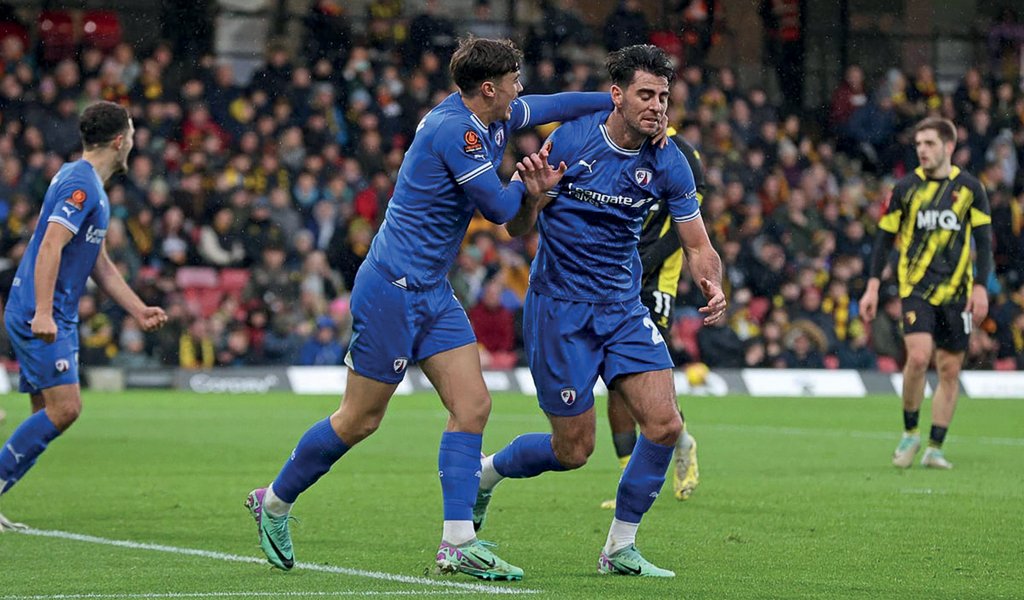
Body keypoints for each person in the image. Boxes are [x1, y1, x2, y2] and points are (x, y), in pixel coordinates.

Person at [244, 37, 622, 581]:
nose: (523, 87)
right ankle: (274, 502)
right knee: (360, 420)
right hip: (392, 288)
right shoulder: (455, 130)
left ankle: (457, 541)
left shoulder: (496, 112)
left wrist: (613, 103)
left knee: (473, 406)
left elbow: (557, 103)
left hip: (431, 289)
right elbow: (496, 208)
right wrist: (527, 182)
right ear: (488, 87)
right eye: (515, 78)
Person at [474, 45, 726, 577]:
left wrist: (712, 282)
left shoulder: (669, 160)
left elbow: (699, 244)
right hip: (558, 309)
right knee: (573, 450)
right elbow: (516, 228)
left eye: (663, 96)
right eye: (645, 94)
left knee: (663, 424)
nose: (657, 106)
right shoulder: (570, 138)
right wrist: (534, 200)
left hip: (621, 306)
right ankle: (486, 474)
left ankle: (619, 548)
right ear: (617, 95)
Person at [0, 101, 167, 531]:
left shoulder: (88, 182)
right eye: (130, 134)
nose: (132, 142)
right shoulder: (81, 184)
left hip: (54, 311)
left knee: (46, 413)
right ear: (119, 141)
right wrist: (41, 311)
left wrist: (136, 308)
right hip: (44, 312)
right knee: (66, 408)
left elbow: (100, 263)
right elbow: (51, 244)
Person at [859, 117, 993, 470]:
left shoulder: (970, 189)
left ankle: (935, 446)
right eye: (919, 144)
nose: (922, 150)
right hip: (916, 289)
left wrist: (980, 286)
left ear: (949, 147)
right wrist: (872, 286)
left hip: (957, 292)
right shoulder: (904, 189)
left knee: (950, 370)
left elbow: (984, 242)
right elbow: (884, 240)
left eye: (930, 143)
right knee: (918, 357)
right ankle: (910, 432)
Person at [601, 129, 706, 509]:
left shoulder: (683, 154)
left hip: (656, 279)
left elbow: (687, 228)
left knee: (647, 374)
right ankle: (628, 478)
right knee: (614, 382)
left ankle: (681, 440)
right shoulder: (620, 147)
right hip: (615, 274)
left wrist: (643, 264)